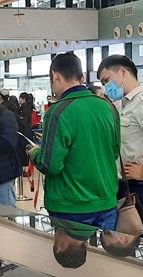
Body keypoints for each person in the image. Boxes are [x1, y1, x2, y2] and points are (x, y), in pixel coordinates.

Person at [29, 52, 120, 230]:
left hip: (70, 206)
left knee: (71, 256)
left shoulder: (57, 111)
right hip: (106, 201)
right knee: (103, 256)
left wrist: (35, 153)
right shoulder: (108, 107)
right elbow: (114, 151)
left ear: (55, 76)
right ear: (82, 77)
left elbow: (50, 164)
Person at [98, 55, 143, 242]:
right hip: (128, 188)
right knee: (129, 245)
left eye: (107, 80)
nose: (106, 87)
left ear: (122, 72)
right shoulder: (125, 103)